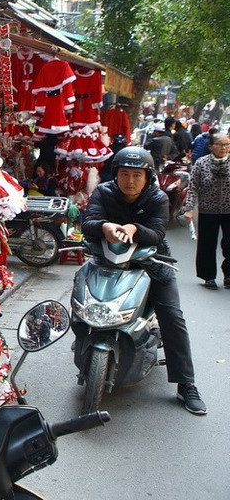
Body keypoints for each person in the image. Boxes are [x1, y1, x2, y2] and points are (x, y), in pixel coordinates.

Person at [82, 146, 207, 415]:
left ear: (147, 176)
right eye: (124, 174)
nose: (130, 181)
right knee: (81, 299)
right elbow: (88, 222)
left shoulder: (157, 197)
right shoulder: (103, 192)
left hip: (153, 262)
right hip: (106, 261)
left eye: (137, 175)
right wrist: (104, 227)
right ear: (115, 174)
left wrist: (133, 229)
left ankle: (186, 384)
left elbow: (158, 232)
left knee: (172, 316)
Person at [184, 133, 230, 289]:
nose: (224, 148)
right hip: (207, 210)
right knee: (207, 244)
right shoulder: (201, 163)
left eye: (227, 144)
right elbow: (193, 188)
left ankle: (229, 274)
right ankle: (208, 276)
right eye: (220, 144)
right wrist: (189, 208)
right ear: (211, 146)